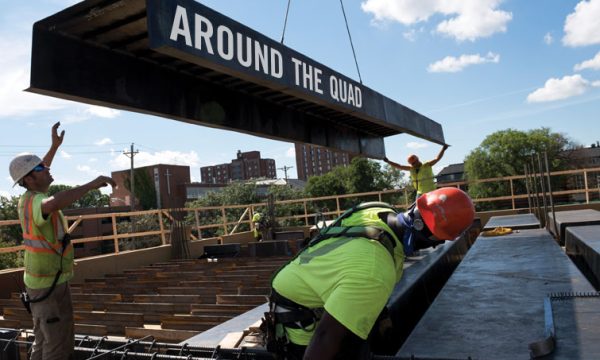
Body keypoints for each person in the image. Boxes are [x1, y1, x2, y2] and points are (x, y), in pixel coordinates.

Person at [264, 187, 475, 359]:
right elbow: (325, 338)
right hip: (301, 322)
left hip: (308, 280)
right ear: (435, 239)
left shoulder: (376, 209)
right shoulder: (375, 271)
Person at [9, 122, 116, 360]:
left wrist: (54, 147)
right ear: (28, 179)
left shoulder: (33, 195)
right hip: (46, 284)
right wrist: (91, 184)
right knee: (56, 345)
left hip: (48, 281)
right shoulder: (36, 202)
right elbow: (54, 203)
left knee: (44, 340)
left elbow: (39, 171)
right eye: (40, 168)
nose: (46, 168)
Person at [384, 144, 449, 199]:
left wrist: (443, 149)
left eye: (414, 162)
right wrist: (388, 161)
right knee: (417, 209)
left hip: (431, 191)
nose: (414, 165)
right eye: (412, 164)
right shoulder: (411, 169)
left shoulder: (427, 165)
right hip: (420, 192)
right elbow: (399, 166)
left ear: (417, 159)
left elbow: (437, 159)